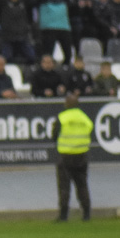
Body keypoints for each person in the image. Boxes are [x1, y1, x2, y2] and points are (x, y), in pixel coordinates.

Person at [52, 93, 93, 221]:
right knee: (82, 185)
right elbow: (90, 130)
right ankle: (86, 214)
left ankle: (63, 215)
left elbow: (54, 135)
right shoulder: (85, 118)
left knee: (64, 186)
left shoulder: (62, 117)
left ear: (67, 104)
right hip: (81, 156)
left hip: (65, 156)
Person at [0, 0, 36, 64]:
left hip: (23, 35)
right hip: (8, 37)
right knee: (7, 58)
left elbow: (34, 2)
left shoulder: (25, 3)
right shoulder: (3, 3)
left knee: (31, 57)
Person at [38, 0, 74, 65]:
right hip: (48, 27)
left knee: (68, 55)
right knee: (47, 55)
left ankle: (65, 69)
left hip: (64, 26)